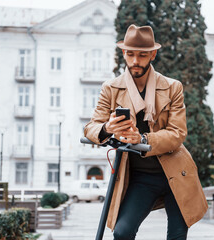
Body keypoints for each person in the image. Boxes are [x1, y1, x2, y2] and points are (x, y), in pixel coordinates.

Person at [84, 24, 207, 240]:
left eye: (142, 55)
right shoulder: (110, 88)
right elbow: (90, 127)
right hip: (140, 177)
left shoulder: (172, 87)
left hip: (176, 172)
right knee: (122, 232)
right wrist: (107, 128)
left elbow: (177, 133)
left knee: (177, 236)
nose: (135, 61)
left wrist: (141, 138)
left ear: (153, 54)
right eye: (130, 54)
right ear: (123, 53)